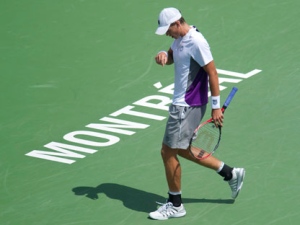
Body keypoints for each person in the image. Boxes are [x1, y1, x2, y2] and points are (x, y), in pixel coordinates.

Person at [149, 7, 245, 220]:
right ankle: (229, 172)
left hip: (187, 105)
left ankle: (175, 205)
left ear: (177, 23)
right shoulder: (179, 39)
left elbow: (212, 73)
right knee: (182, 150)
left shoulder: (196, 41)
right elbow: (174, 55)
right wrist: (165, 56)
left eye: (168, 29)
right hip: (183, 104)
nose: (167, 33)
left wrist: (216, 106)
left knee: (167, 152)